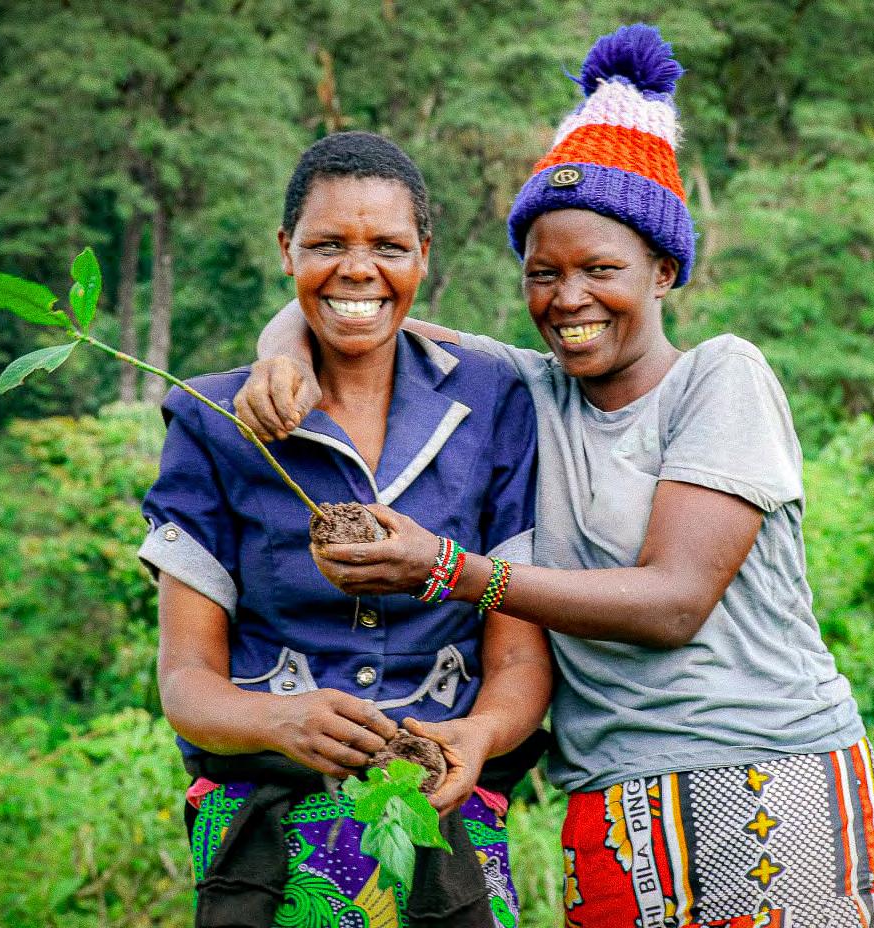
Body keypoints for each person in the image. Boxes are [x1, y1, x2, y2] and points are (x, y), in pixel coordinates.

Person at [235, 26, 874, 927]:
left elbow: (673, 602)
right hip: (605, 800)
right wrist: (278, 354)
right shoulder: (526, 389)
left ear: (663, 271)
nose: (567, 299)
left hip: (766, 776)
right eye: (543, 273)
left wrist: (446, 570)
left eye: (599, 269)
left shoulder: (719, 377)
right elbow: (356, 302)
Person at [138, 131, 551, 928]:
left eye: (388, 246)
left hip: (444, 815)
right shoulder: (212, 420)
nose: (358, 270)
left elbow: (518, 659)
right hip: (265, 828)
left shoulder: (492, 401)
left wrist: (479, 734)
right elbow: (186, 680)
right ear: (285, 250)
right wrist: (277, 720)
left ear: (423, 255)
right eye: (327, 244)